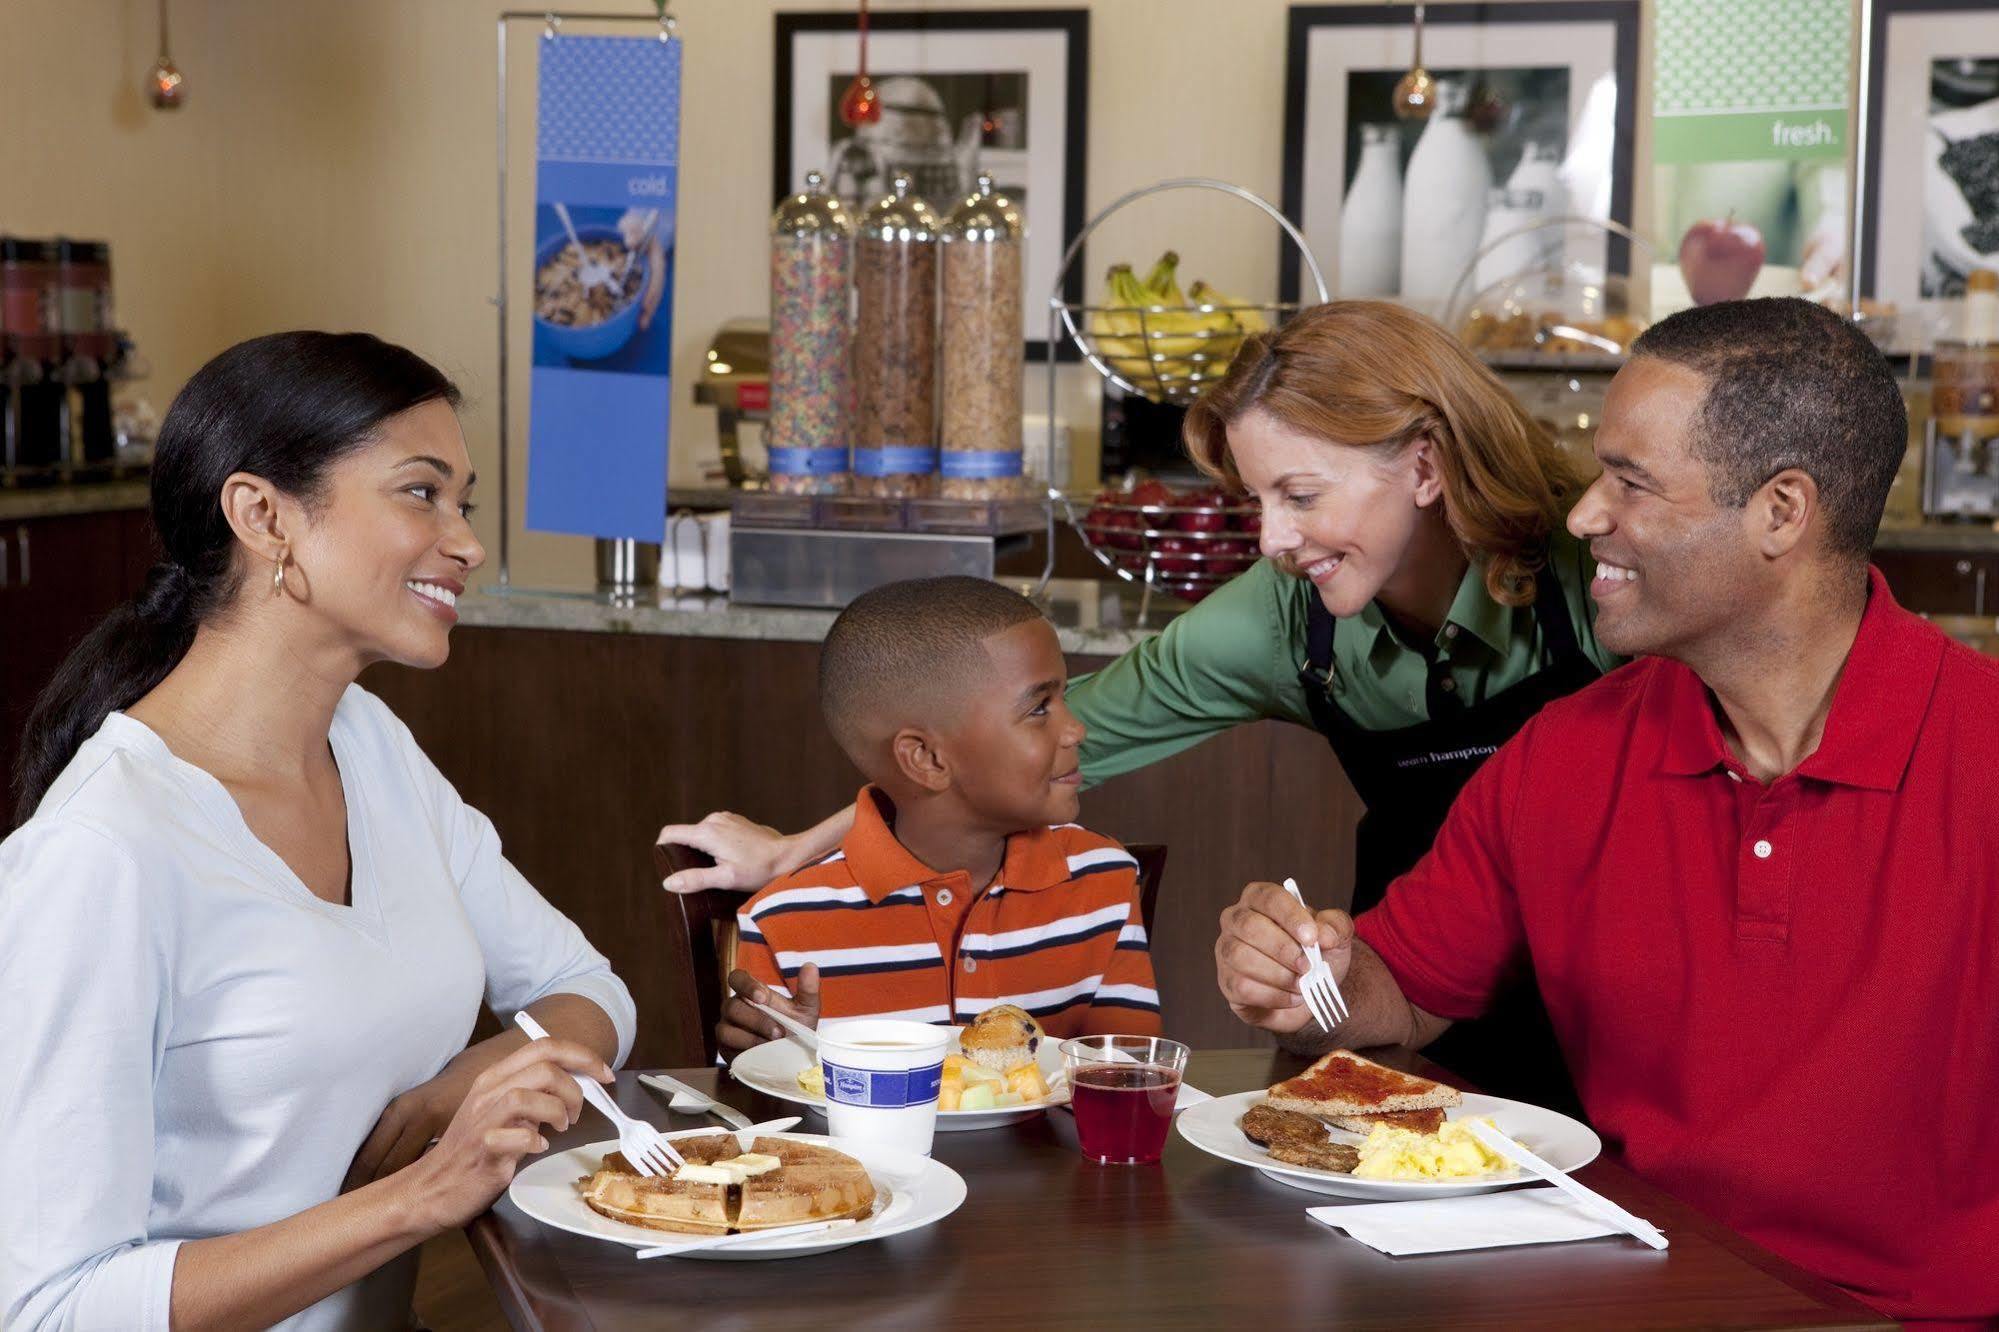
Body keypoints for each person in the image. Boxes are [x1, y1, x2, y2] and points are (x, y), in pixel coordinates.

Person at [1212, 297, 1998, 1325]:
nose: (1582, 516)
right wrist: (1305, 971)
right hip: (1615, 1287)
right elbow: (1397, 991)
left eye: (1628, 483)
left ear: (1780, 512)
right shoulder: (1565, 753)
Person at [669, 302, 1617, 1108]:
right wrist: (797, 851)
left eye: (1299, 494)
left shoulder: (1601, 572)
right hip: (1397, 1004)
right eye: (1255, 500)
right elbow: (1020, 743)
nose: (1274, 539)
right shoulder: (1284, 617)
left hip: (1611, 986)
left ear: (1422, 467)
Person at [0, 332, 638, 1332]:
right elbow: (50, 1306)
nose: (467, 542)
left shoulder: (367, 744)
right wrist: (423, 1192)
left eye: (461, 502)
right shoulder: (103, 852)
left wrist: (468, 1083)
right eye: (420, 494)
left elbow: (588, 991)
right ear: (262, 515)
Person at [719, 577, 1159, 1055]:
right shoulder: (782, 922)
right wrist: (791, 1049)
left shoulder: (1104, 879)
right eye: (1039, 708)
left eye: (1063, 698)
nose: (1076, 729)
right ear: (926, 760)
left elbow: (1132, 1079)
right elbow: (761, 1116)